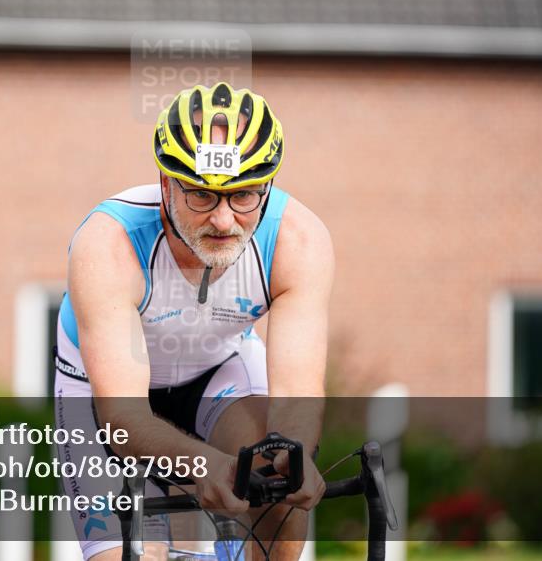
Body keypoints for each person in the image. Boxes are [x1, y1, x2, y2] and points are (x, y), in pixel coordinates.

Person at [54, 83, 334, 560]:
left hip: (217, 373)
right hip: (104, 397)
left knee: (280, 492)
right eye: (202, 195)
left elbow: (295, 399)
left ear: (267, 186)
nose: (224, 221)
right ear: (166, 183)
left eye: (243, 195)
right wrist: (204, 465)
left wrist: (295, 456)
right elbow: (124, 417)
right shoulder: (108, 244)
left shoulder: (298, 241)